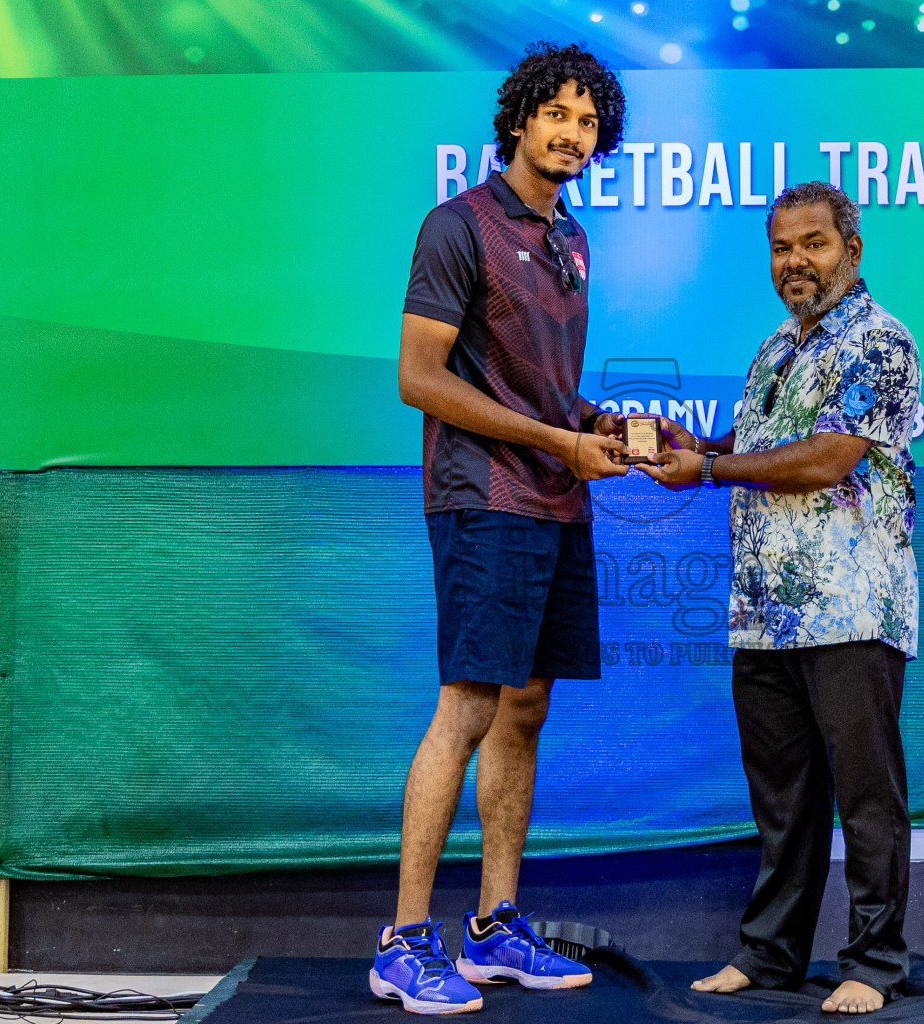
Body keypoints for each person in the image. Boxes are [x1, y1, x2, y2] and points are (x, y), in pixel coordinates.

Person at [375, 42, 631, 1015]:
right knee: (468, 707)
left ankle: (494, 926)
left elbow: (542, 388)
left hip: (556, 496)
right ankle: (404, 941)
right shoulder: (458, 227)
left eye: (587, 122)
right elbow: (419, 378)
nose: (571, 134)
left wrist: (587, 429)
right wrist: (549, 441)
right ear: (519, 119)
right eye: (555, 115)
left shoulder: (574, 241)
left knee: (526, 709)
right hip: (482, 494)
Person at [640, 181, 922, 1015]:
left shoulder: (880, 341)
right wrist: (702, 446)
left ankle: (874, 964)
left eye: (814, 244)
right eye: (781, 247)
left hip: (852, 609)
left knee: (866, 797)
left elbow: (829, 456)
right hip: (764, 615)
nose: (795, 261)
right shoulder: (773, 349)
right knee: (783, 798)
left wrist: (713, 469)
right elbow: (767, 446)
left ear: (852, 251)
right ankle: (769, 958)